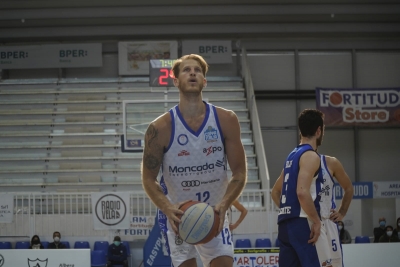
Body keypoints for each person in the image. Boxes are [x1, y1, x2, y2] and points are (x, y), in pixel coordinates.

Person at [141, 54, 247, 267]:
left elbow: (239, 172)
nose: (192, 73)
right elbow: (148, 177)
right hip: (177, 218)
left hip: (215, 213)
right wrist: (167, 208)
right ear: (176, 81)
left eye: (197, 70)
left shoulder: (226, 120)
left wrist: (225, 204)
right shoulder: (159, 128)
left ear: (204, 81)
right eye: (186, 70)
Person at [271, 109, 353, 267]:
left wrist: (288, 209)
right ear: (319, 130)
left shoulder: (292, 155)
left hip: (285, 224)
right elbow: (302, 192)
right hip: (306, 223)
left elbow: (275, 191)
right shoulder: (310, 156)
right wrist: (316, 221)